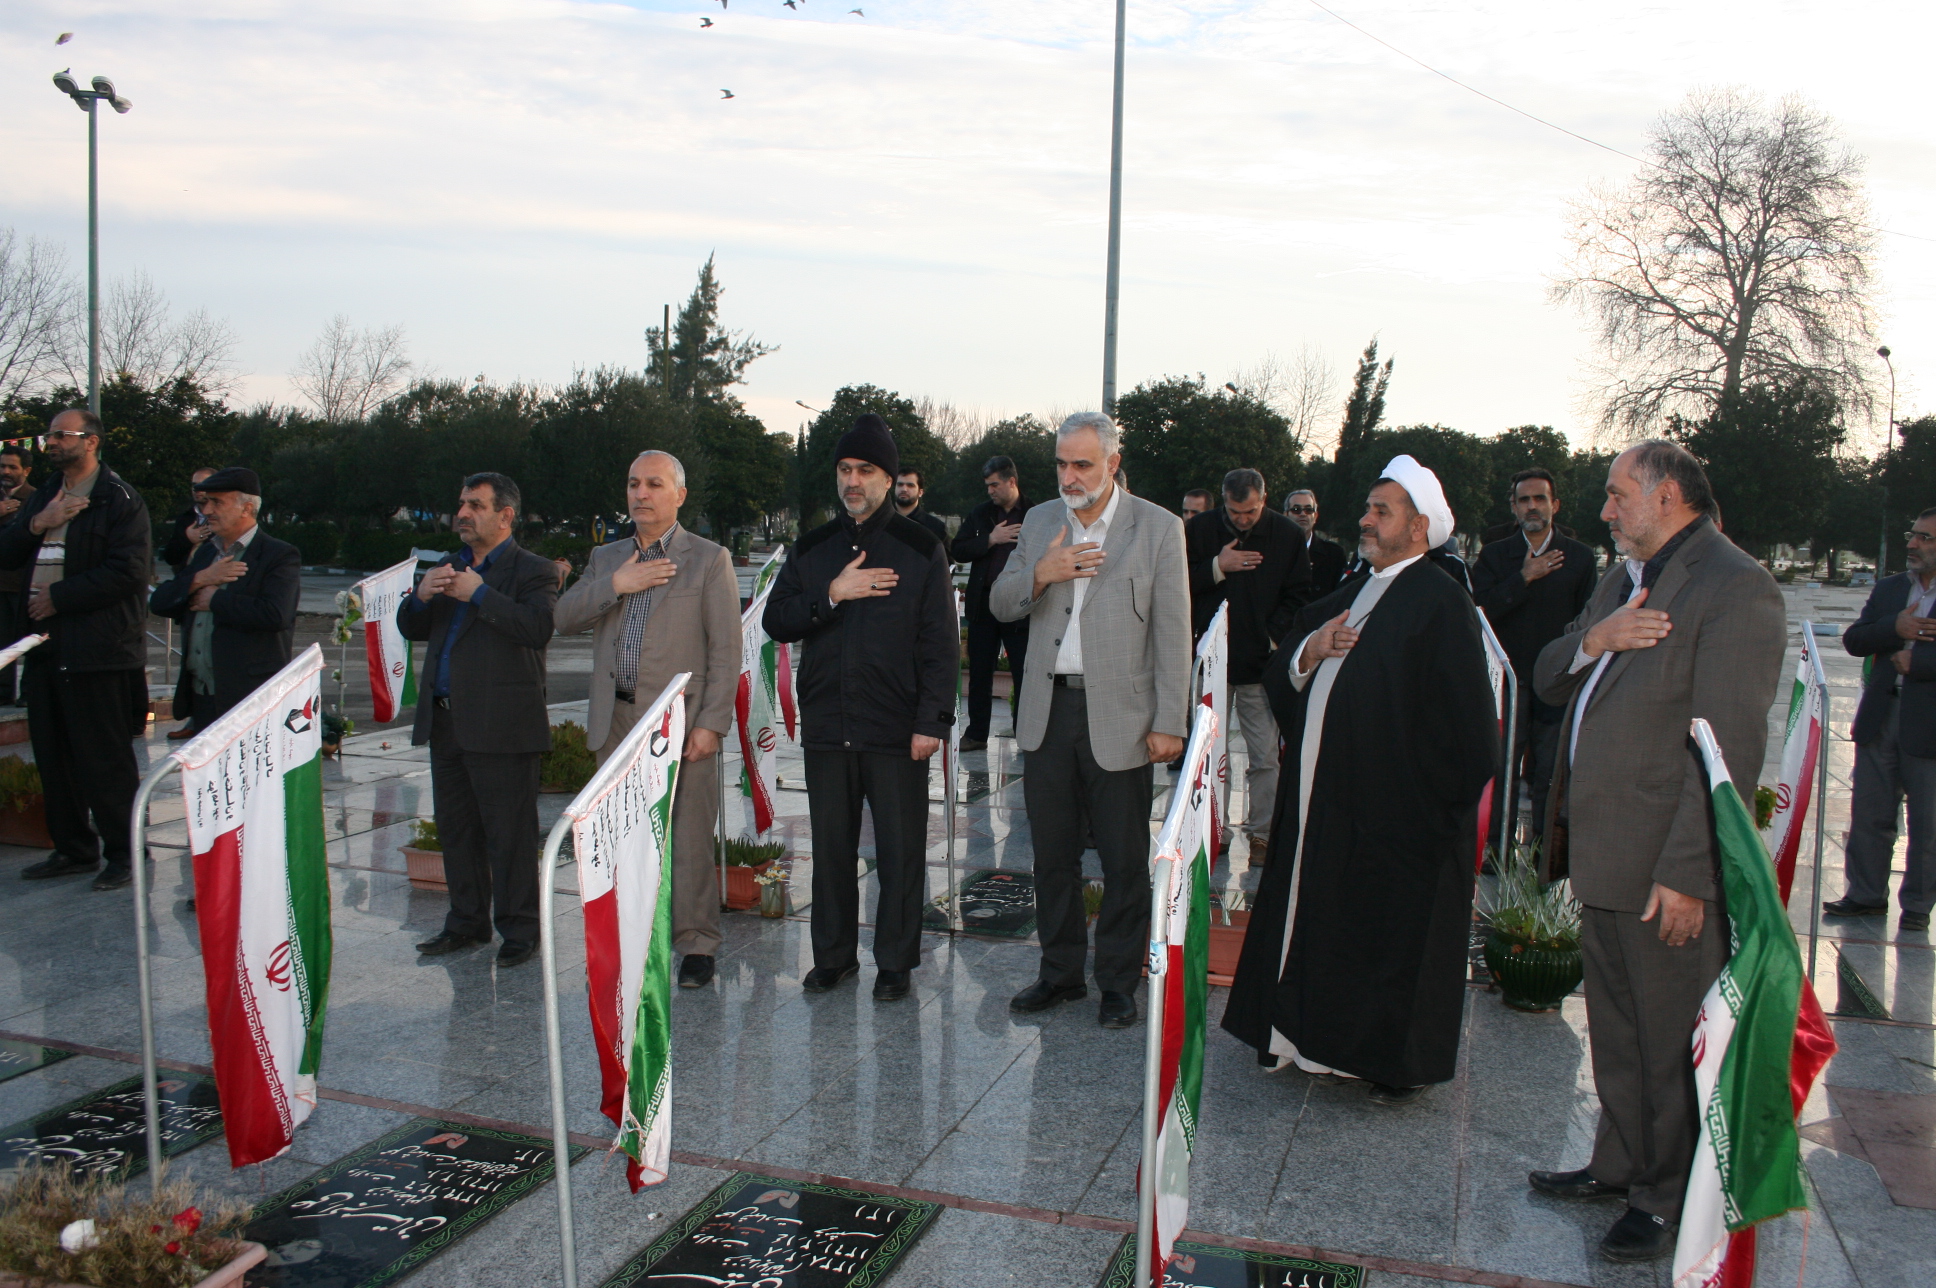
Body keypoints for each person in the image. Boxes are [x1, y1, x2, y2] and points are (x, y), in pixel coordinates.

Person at [1527, 441, 1784, 1263]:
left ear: (1667, 494)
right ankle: (1620, 1162)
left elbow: (1727, 751)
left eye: (1615, 495)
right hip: (1602, 852)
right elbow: (1545, 675)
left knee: (1671, 1033)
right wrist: (1595, 640)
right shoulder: (1621, 578)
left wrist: (1687, 874)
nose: (1603, 511)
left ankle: (1667, 1196)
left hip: (1660, 862)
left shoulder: (1736, 586)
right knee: (1617, 1024)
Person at [1222, 456, 1498, 1104]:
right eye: (1369, 508)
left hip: (1398, 824)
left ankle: (1380, 1060)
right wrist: (1310, 652)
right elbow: (1289, 656)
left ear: (1420, 526)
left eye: (1383, 511)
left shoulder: (1442, 604)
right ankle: (1297, 1035)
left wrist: (1418, 814)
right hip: (1324, 804)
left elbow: (1470, 737)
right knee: (1312, 921)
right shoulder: (1357, 590)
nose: (1366, 519)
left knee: (1386, 945)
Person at [991, 412, 1191, 1028]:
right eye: (1061, 464)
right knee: (1051, 855)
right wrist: (1041, 573)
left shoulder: (1157, 529)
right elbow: (1000, 604)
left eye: (1082, 464)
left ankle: (1118, 982)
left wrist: (1169, 720)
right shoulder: (1042, 523)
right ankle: (1059, 974)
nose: (1070, 476)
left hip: (1122, 718)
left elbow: (1173, 632)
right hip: (1047, 713)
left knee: (1125, 859)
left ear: (1112, 464)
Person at [764, 415, 957, 1002]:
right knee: (831, 850)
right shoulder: (814, 548)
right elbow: (777, 619)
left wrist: (932, 721)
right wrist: (831, 595)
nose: (853, 480)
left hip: (896, 729)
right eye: (845, 469)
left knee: (900, 850)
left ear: (889, 477)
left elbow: (940, 642)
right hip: (829, 725)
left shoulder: (922, 547)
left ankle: (895, 962)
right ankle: (834, 958)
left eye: (866, 470)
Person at [555, 451, 742, 987]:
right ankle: (628, 933)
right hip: (613, 719)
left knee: (684, 835)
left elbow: (725, 651)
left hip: (678, 726)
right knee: (617, 835)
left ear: (678, 495)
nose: (641, 494)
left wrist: (711, 723)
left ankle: (697, 944)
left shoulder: (708, 559)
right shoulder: (606, 558)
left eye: (654, 484)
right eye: (634, 483)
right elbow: (564, 618)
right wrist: (618, 583)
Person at [398, 473, 559, 968]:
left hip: (502, 724)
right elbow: (412, 626)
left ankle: (520, 931)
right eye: (461, 504)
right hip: (446, 723)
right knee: (457, 829)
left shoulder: (534, 570)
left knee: (508, 833)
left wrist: (480, 594)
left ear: (505, 516)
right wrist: (421, 595)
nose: (461, 514)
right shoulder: (448, 567)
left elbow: (537, 629)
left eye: (475, 505)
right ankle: (465, 923)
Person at [0, 409, 152, 891]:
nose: (50, 442)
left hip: (98, 650)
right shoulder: (46, 493)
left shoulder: (118, 498)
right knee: (53, 754)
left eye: (60, 435)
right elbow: (6, 552)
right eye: (48, 435)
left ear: (90, 442)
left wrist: (59, 597)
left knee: (103, 759)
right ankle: (73, 848)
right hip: (44, 647)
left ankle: (126, 854)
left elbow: (129, 572)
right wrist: (37, 523)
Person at [1185, 468, 1311, 854]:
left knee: (1264, 755)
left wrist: (1272, 639)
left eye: (1250, 512)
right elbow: (1177, 584)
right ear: (1223, 500)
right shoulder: (1200, 530)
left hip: (1261, 665)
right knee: (1210, 753)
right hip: (1211, 662)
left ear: (1264, 499)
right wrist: (1218, 568)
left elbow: (1299, 595)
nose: (1242, 519)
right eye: (1235, 511)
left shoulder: (1287, 535)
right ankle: (1213, 830)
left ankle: (1262, 834)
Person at [1470, 468, 1598, 836]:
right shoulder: (1496, 557)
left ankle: (1543, 858)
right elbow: (1479, 612)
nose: (1532, 507)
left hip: (1558, 684)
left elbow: (1586, 621)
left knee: (1550, 773)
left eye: (1539, 498)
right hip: (1510, 684)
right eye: (1523, 500)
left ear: (1554, 505)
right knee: (1503, 769)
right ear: (1513, 507)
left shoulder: (1579, 558)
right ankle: (1496, 851)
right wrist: (1523, 577)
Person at [1829, 505, 1936, 933]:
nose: (1912, 544)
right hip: (1881, 716)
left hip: (1928, 725)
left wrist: (1922, 663)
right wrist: (1897, 627)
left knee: (1927, 823)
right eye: (1913, 535)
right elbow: (1856, 639)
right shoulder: (1892, 589)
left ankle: (1917, 905)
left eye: (1925, 538)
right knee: (1870, 812)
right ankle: (1865, 895)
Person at [149, 467, 300, 739]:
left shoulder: (278, 554)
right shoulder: (207, 553)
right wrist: (199, 579)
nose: (207, 511)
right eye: (205, 502)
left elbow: (276, 614)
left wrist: (215, 599)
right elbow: (160, 602)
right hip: (203, 696)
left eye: (217, 502)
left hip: (248, 696)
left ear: (247, 508)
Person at [951, 455, 1031, 753]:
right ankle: (976, 733)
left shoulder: (1036, 513)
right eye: (987, 486)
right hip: (983, 604)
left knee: (1023, 671)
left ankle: (1025, 735)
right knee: (981, 670)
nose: (990, 491)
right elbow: (958, 549)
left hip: (1020, 604)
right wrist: (990, 538)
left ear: (1012, 481)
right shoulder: (981, 514)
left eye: (995, 485)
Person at [0, 445, 37, 704]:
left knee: (29, 642)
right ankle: (2, 695)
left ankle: (29, 695)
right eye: (2, 466)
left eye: (13, 467)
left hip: (25, 583)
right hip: (0, 585)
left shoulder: (36, 498)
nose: (6, 472)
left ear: (26, 470)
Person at [1284, 489, 1345, 599]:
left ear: (1315, 516)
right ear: (1285, 515)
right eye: (1296, 509)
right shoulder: (1272, 551)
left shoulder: (1334, 555)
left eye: (1308, 510)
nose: (1303, 514)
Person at [158, 467, 218, 570]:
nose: (197, 489)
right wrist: (187, 539)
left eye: (203, 484)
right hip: (187, 579)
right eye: (194, 485)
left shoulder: (224, 516)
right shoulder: (185, 518)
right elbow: (170, 558)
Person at [893, 468, 948, 543]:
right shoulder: (880, 520)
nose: (904, 489)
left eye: (910, 485)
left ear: (920, 492)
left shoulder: (936, 528)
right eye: (900, 484)